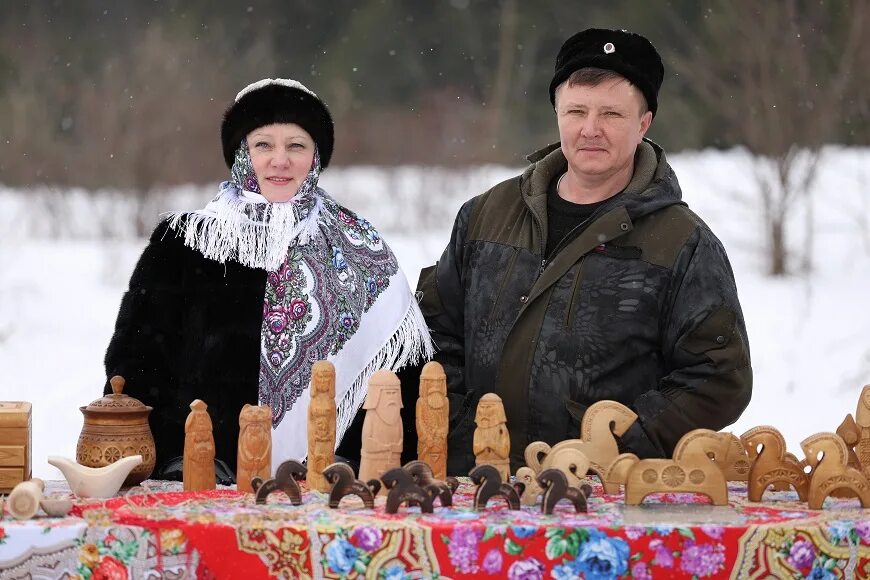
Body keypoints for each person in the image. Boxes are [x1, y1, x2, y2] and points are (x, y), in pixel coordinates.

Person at [417, 28, 752, 475]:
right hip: (476, 481)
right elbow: (434, 333)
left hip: (603, 499)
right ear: (558, 113)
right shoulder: (485, 214)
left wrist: (621, 447)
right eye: (576, 110)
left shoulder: (681, 242)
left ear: (643, 123)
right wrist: (461, 430)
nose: (590, 130)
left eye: (612, 113)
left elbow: (718, 376)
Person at [105, 78, 432, 482]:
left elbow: (404, 381)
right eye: (264, 145)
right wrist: (175, 457)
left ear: (315, 157)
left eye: (296, 145)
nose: (280, 160)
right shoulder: (185, 242)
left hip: (329, 490)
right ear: (242, 152)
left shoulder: (361, 248)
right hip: (199, 481)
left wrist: (354, 462)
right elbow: (135, 372)